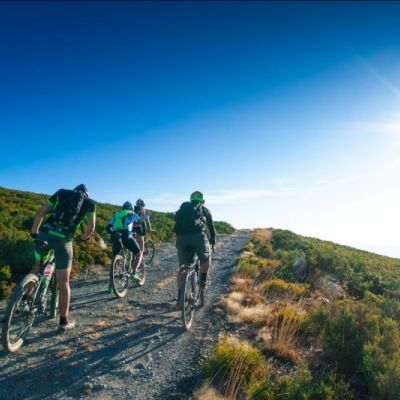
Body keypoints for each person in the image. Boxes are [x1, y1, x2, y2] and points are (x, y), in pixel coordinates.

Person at [31, 184, 96, 332]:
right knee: (64, 282)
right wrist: (83, 238)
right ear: (86, 195)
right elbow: (91, 228)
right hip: (63, 240)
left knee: (36, 267)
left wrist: (34, 232)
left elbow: (40, 213)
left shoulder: (61, 193)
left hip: (44, 235)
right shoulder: (90, 203)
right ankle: (63, 322)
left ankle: (24, 301)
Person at [174, 191, 216, 307]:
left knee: (183, 268)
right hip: (198, 238)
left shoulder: (184, 209)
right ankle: (203, 281)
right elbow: (211, 227)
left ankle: (180, 296)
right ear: (202, 201)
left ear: (191, 199)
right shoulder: (205, 210)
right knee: (206, 258)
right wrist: (212, 240)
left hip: (182, 239)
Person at [106, 201, 143, 292]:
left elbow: (107, 228)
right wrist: (142, 227)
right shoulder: (131, 213)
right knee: (138, 253)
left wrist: (114, 233)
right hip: (127, 236)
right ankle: (134, 273)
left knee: (115, 259)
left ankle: (111, 286)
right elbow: (140, 221)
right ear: (131, 208)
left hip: (116, 236)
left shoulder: (116, 215)